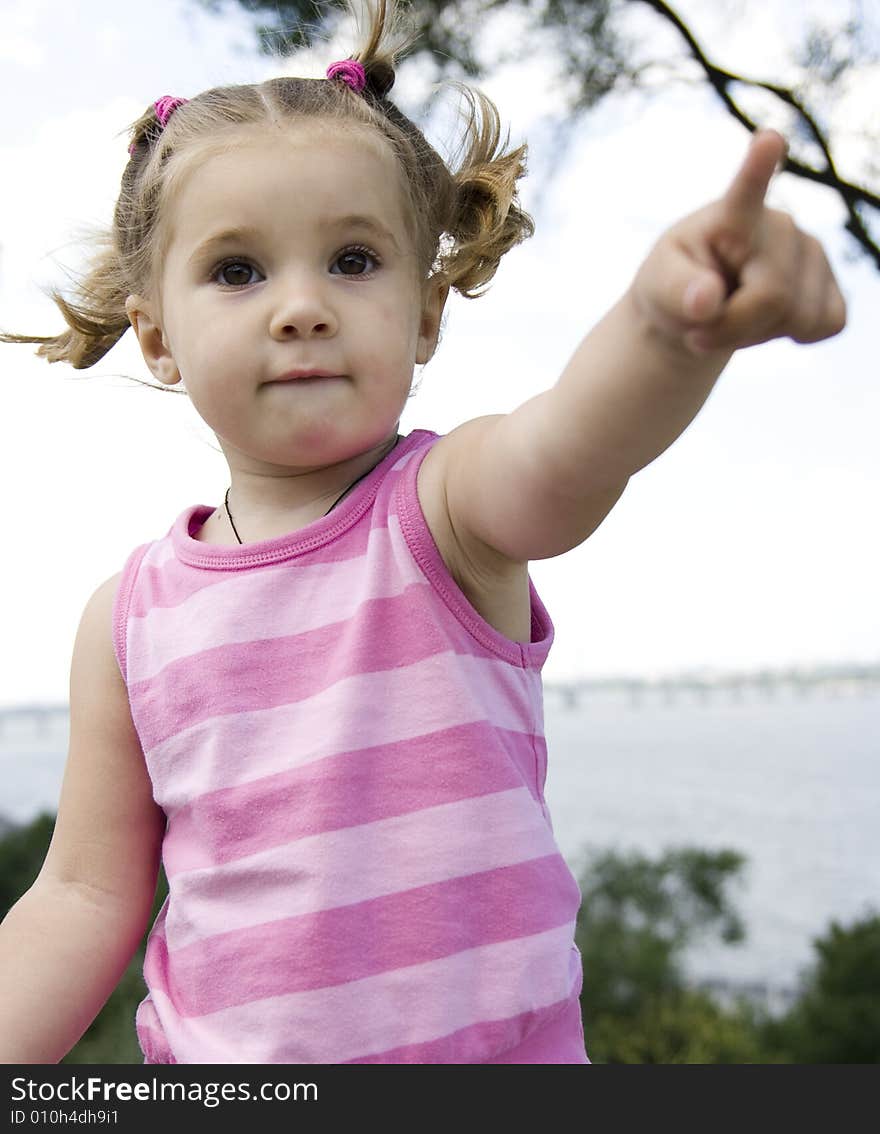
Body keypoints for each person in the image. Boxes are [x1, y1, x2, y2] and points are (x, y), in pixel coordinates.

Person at [0, 0, 845, 1066]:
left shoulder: (445, 510)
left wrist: (663, 330)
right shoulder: (126, 618)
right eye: (238, 270)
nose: (299, 307)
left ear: (426, 315)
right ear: (158, 336)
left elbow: (568, 450)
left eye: (353, 261)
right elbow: (80, 894)